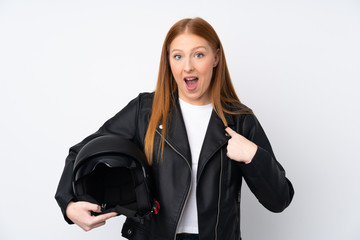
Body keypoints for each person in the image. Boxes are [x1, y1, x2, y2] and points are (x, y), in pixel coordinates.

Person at [55, 17, 294, 240]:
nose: (187, 66)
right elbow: (81, 153)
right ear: (168, 61)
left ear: (216, 58)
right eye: (178, 56)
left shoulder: (240, 120)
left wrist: (253, 156)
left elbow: (279, 199)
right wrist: (68, 204)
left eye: (198, 55)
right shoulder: (145, 111)